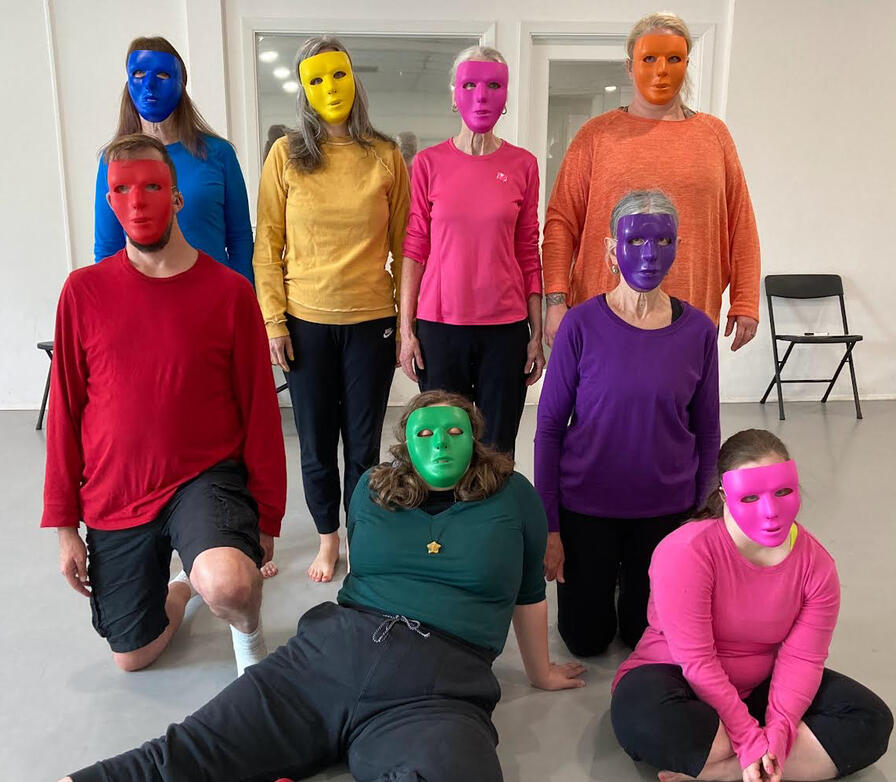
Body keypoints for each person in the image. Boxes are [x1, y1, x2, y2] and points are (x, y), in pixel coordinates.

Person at [58, 391, 586, 782]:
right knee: (180, 757)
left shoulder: (514, 495)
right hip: (329, 655)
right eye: (425, 433)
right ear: (405, 443)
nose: (441, 444)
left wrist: (539, 672)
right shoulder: (371, 489)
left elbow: (527, 592)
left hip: (439, 687)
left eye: (454, 432)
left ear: (475, 437)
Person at [44, 134, 286, 677]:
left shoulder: (228, 292)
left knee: (230, 583)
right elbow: (65, 412)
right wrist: (64, 526)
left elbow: (260, 412)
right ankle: (181, 588)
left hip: (204, 478)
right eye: (123, 190)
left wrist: (267, 515)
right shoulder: (82, 293)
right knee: (133, 655)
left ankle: (249, 642)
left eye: (152, 187)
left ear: (176, 199)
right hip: (117, 491)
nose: (137, 202)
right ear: (110, 201)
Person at [610, 429, 894, 782]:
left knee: (871, 721)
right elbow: (696, 659)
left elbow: (802, 659)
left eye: (783, 492)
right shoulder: (685, 553)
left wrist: (777, 733)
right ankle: (757, 757)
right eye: (750, 498)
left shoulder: (817, 566)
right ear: (724, 496)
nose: (771, 512)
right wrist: (747, 737)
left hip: (761, 684)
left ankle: (726, 772)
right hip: (675, 675)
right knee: (650, 721)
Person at [253, 35, 410, 583]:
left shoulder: (386, 156)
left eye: (337, 76)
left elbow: (402, 248)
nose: (329, 88)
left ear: (354, 80)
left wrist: (402, 323)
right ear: (304, 89)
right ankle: (327, 539)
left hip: (370, 323)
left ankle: (362, 531)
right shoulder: (285, 156)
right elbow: (266, 244)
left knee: (363, 444)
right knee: (318, 443)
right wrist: (273, 320)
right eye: (316, 80)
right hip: (306, 322)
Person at [536, 189, 719, 656]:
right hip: (588, 507)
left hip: (665, 510)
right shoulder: (579, 325)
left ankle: (629, 580)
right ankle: (608, 578)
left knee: (644, 637)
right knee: (585, 640)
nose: (650, 255)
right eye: (636, 241)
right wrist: (550, 527)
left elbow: (708, 428)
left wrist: (700, 518)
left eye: (663, 241)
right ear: (611, 249)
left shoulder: (698, 331)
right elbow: (551, 429)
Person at [542, 12, 760, 352]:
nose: (662, 70)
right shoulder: (596, 135)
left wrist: (745, 300)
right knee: (601, 405)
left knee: (684, 406)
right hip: (605, 315)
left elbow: (741, 223)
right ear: (630, 67)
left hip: (691, 314)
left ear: (687, 63)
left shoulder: (714, 135)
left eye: (674, 59)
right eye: (649, 59)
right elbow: (561, 223)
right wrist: (555, 300)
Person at [399, 45, 544, 455]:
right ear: (454, 93)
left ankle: (493, 519)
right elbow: (415, 248)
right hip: (441, 327)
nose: (481, 96)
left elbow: (527, 250)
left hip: (505, 329)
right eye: (470, 85)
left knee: (498, 445)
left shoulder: (523, 165)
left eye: (494, 85)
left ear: (505, 96)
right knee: (444, 443)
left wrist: (536, 336)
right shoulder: (428, 163)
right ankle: (447, 518)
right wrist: (407, 331)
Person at [94, 36, 255, 285]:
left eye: (162, 76)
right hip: (144, 304)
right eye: (138, 73)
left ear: (181, 83)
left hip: (212, 299)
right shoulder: (112, 162)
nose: (149, 86)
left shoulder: (218, 154)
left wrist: (244, 302)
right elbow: (107, 250)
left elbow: (240, 240)